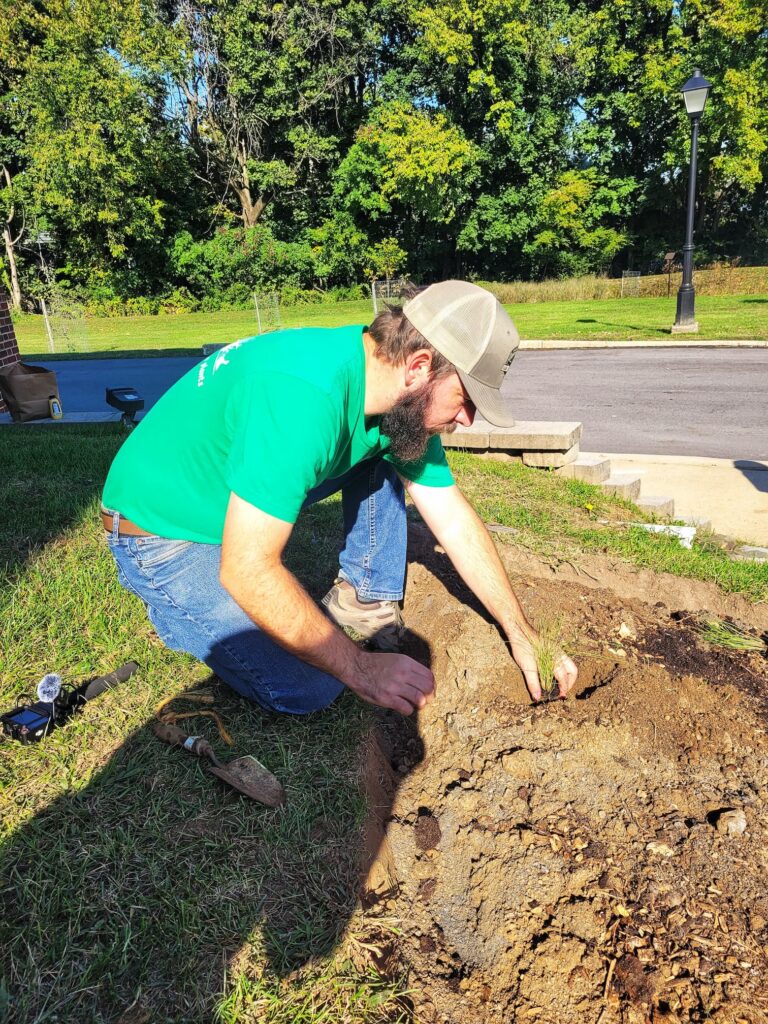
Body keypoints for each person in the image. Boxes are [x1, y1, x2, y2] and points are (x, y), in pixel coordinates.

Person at [101, 280, 577, 716]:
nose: (468, 419)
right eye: (467, 399)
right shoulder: (305, 397)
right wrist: (361, 668)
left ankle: (361, 598)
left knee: (390, 446)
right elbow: (247, 570)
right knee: (307, 688)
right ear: (419, 366)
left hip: (224, 500)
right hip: (162, 533)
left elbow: (449, 515)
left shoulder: (389, 384)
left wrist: (520, 628)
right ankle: (174, 606)